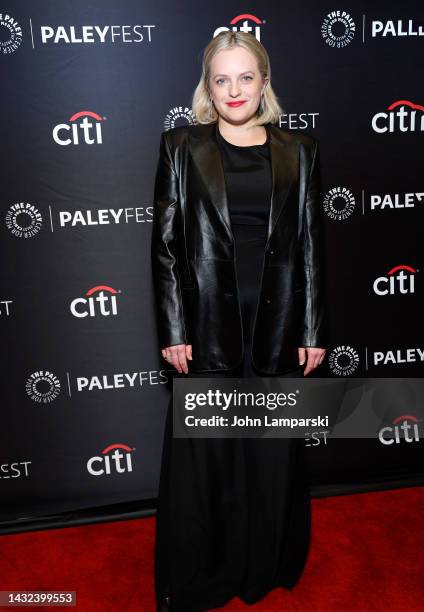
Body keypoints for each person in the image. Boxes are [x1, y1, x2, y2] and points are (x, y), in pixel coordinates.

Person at [151, 30, 327, 611]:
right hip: (207, 331)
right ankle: (208, 570)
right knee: (211, 458)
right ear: (207, 86)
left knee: (271, 454)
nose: (233, 90)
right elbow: (168, 247)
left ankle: (266, 564)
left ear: (265, 82)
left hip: (276, 329)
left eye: (245, 77)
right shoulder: (181, 146)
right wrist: (175, 329)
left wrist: (312, 331)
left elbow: (310, 247)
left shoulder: (298, 150)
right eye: (220, 79)